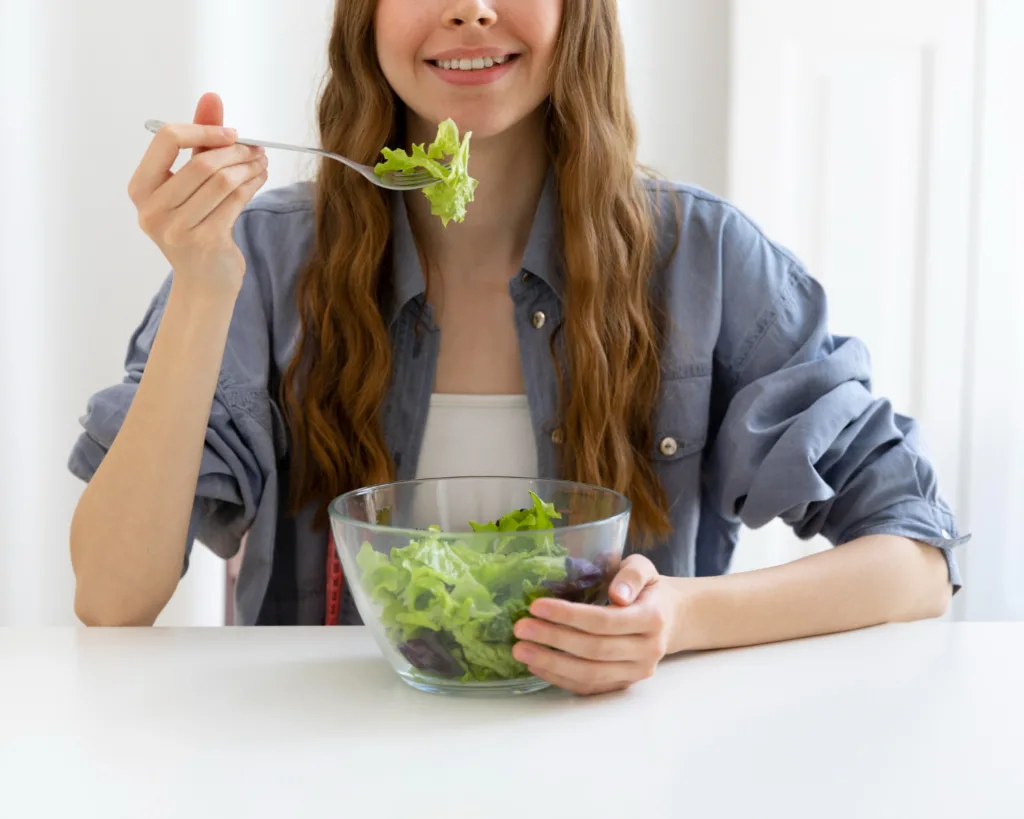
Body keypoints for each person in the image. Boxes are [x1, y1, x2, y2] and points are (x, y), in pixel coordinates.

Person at [68, 0, 968, 695]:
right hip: (320, 772)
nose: (471, 8)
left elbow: (916, 557)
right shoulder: (260, 258)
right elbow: (113, 598)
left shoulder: (704, 259)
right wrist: (200, 287)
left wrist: (677, 617)